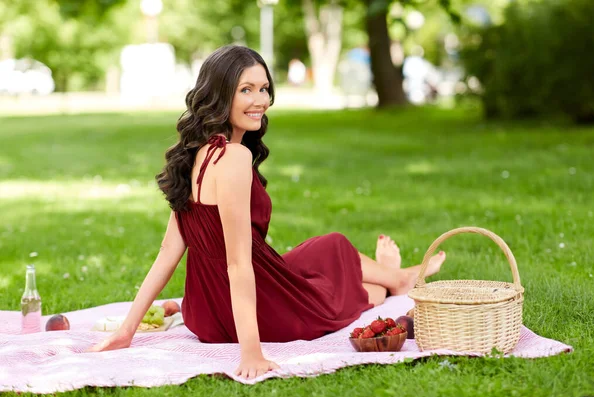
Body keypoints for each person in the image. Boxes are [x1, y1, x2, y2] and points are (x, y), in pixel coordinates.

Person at [87, 45, 446, 379]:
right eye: (246, 90)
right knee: (347, 296)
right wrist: (251, 353)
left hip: (205, 312)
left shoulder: (197, 154)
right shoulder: (234, 158)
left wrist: (126, 331)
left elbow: (169, 252)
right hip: (253, 308)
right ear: (219, 94)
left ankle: (394, 276)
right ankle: (392, 281)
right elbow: (238, 264)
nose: (260, 100)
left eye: (263, 89)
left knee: (330, 247)